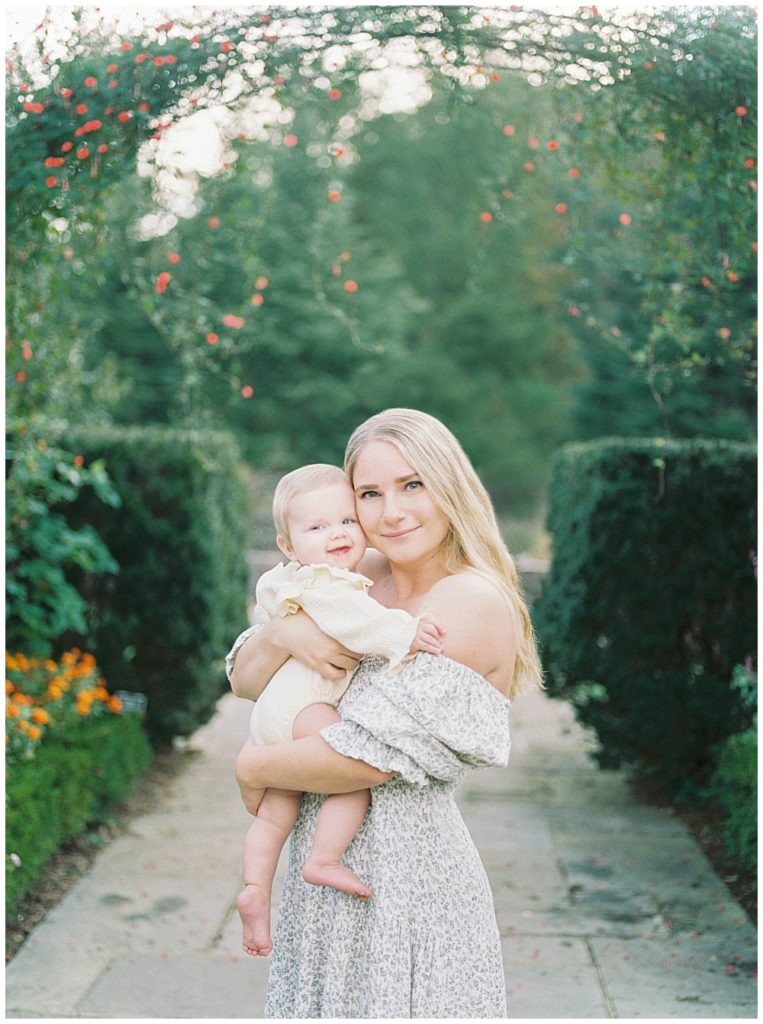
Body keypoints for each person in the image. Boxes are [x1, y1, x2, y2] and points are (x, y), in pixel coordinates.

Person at [228, 408, 543, 1018]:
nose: (391, 512)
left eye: (412, 485)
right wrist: (288, 633)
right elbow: (244, 677)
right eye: (370, 493)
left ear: (449, 485)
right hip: (319, 876)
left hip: (405, 882)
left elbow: (363, 759)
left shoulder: (468, 598)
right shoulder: (358, 576)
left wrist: (253, 766)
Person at [236, 462, 445, 957]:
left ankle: (254, 889)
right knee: (355, 768)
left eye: (347, 521)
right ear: (289, 545)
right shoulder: (330, 585)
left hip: (272, 717)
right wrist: (406, 634)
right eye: (317, 527)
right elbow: (359, 624)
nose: (337, 534)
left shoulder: (286, 582)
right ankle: (324, 858)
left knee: (273, 817)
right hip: (304, 708)